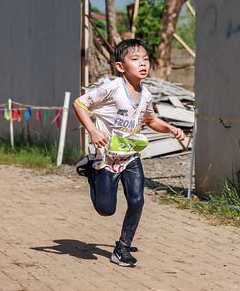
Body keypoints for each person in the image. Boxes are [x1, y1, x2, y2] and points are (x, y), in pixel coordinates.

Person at [73, 38, 185, 267]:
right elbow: (79, 104)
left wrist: (171, 128)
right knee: (106, 209)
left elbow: (150, 120)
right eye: (135, 59)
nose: (143, 63)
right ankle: (92, 171)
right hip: (108, 158)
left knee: (137, 201)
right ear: (120, 66)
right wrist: (93, 131)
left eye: (146, 59)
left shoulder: (146, 95)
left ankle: (122, 247)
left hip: (131, 157)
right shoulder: (112, 88)